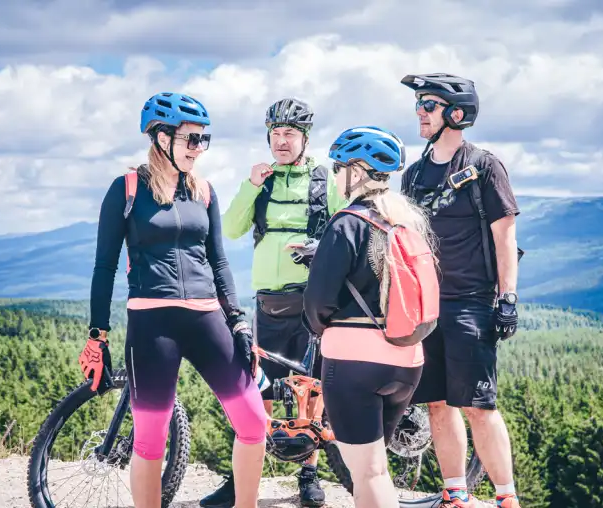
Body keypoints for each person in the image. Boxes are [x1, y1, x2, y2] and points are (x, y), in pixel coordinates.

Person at [79, 92, 268, 508]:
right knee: (150, 440)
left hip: (207, 319)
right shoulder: (127, 189)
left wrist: (237, 320)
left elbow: (218, 262)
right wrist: (97, 337)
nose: (198, 149)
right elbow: (104, 266)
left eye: (204, 140)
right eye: (190, 139)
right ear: (161, 137)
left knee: (254, 421)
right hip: (152, 323)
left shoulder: (204, 191)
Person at [200, 98, 347, 508]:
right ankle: (240, 479)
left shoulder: (324, 180)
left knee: (310, 392)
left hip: (312, 301)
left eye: (290, 134)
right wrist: (250, 185)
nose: (281, 142)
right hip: (268, 303)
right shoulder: (261, 182)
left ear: (304, 138)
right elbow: (230, 227)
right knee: (256, 392)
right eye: (276, 134)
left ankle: (309, 475)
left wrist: (319, 247)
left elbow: (345, 228)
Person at [399, 73, 522, 508]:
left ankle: (506, 497)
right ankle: (456, 493)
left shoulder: (485, 166)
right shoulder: (413, 175)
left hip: (472, 303)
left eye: (427, 105)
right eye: (418, 104)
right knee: (436, 404)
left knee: (479, 406)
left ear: (456, 113)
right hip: (426, 307)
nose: (419, 112)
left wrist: (507, 299)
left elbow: (504, 237)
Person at [302, 126, 438, 508]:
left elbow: (318, 300)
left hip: (353, 364)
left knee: (370, 473)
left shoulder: (346, 222)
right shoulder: (406, 221)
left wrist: (315, 327)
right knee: (374, 471)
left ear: (357, 171)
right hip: (408, 362)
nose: (335, 174)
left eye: (338, 167)